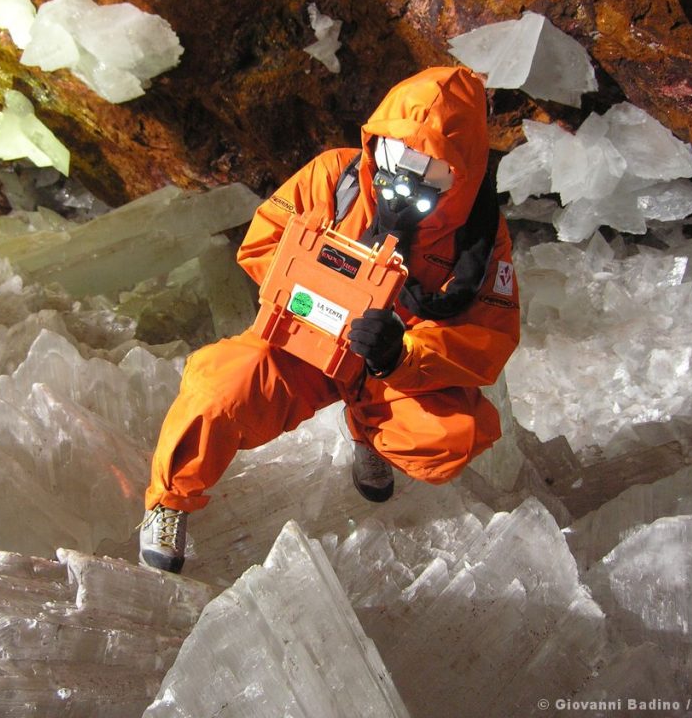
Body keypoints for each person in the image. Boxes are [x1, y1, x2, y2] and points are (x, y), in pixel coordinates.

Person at [139, 66, 520, 573]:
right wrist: (318, 280)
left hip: (385, 366)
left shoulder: (480, 237)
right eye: (396, 153)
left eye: (431, 166)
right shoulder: (335, 177)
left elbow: (489, 337)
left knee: (447, 438)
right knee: (220, 389)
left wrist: (400, 354)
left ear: (462, 171)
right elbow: (261, 243)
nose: (406, 175)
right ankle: (168, 501)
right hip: (303, 340)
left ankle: (368, 432)